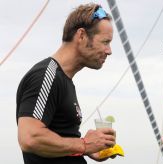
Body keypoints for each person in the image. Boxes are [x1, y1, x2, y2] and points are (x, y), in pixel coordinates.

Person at [16, 3, 116, 164]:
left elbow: (60, 142)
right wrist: (84, 145)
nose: (109, 50)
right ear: (81, 35)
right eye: (105, 42)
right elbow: (30, 137)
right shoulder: (45, 76)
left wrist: (91, 149)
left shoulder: (64, 80)